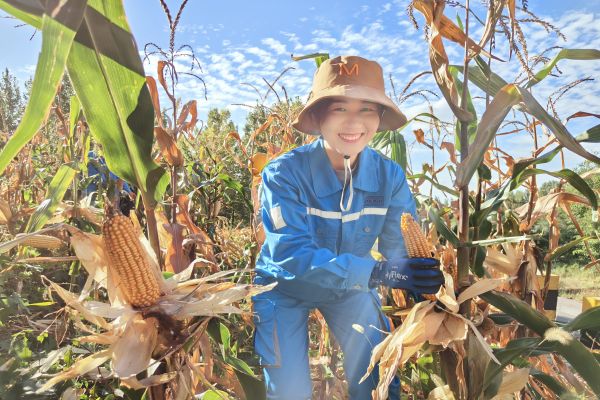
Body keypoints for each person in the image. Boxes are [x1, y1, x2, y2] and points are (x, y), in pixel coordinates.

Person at [252, 55, 444, 400]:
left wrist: (426, 289)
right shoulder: (283, 175)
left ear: (379, 117)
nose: (354, 122)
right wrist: (381, 273)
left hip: (352, 287)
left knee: (377, 378)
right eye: (340, 108)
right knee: (289, 391)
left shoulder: (389, 177)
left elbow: (399, 246)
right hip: (284, 286)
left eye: (367, 109)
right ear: (318, 117)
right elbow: (291, 255)